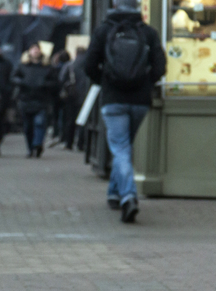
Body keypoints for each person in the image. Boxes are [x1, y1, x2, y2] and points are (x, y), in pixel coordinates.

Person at [85, 0, 166, 223]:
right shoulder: (148, 32)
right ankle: (114, 193)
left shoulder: (104, 30)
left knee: (120, 148)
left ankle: (128, 196)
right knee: (124, 147)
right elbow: (160, 67)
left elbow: (89, 65)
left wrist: (103, 80)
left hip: (113, 99)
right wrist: (147, 83)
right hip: (140, 100)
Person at [11, 42, 56, 158]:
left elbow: (55, 81)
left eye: (37, 49)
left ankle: (37, 144)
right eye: (33, 49)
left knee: (40, 123)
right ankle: (30, 148)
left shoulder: (47, 67)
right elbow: (14, 78)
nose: (35, 51)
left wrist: (44, 84)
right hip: (26, 100)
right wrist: (22, 82)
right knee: (28, 126)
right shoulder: (22, 66)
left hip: (41, 100)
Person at [59, 47, 90, 151]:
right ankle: (81, 144)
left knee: (70, 120)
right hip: (87, 95)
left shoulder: (70, 65)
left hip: (72, 96)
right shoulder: (89, 64)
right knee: (84, 120)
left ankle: (69, 143)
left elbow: (62, 78)